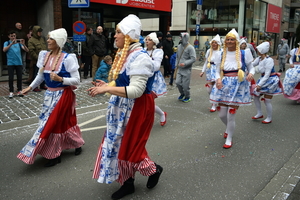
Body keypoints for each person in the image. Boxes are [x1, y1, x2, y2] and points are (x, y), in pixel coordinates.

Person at [88, 14, 163, 200]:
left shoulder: (140, 58)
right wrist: (108, 86)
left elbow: (137, 90)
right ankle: (127, 183)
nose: (114, 36)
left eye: (118, 32)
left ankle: (153, 170)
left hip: (136, 108)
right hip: (123, 106)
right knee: (117, 144)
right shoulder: (125, 54)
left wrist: (107, 88)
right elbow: (123, 81)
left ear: (129, 35)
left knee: (130, 148)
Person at [17, 28, 84, 167]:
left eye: (51, 38)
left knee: (52, 124)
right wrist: (30, 88)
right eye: (48, 38)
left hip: (63, 95)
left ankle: (54, 155)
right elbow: (41, 76)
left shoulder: (68, 58)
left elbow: (77, 80)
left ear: (58, 41)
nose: (47, 41)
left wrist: (61, 79)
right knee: (60, 123)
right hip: (49, 95)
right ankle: (76, 143)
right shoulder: (45, 55)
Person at [210, 28, 254, 149]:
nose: (229, 41)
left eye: (232, 40)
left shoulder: (245, 53)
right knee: (221, 115)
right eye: (228, 39)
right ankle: (229, 128)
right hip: (224, 85)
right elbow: (217, 70)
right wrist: (218, 79)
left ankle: (229, 137)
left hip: (238, 85)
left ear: (237, 41)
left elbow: (251, 67)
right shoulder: (220, 54)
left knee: (231, 115)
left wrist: (251, 73)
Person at [251, 42, 282, 124]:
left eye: (259, 50)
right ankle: (259, 113)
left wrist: (259, 85)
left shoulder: (269, 60)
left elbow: (267, 74)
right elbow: (251, 65)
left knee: (267, 100)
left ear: (263, 50)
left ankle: (269, 117)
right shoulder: (259, 58)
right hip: (263, 78)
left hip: (270, 80)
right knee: (256, 96)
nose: (257, 51)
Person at [144, 32, 167, 126]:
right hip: (144, 77)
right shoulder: (143, 50)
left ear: (154, 42)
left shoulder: (158, 52)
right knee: (144, 100)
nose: (147, 41)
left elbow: (157, 67)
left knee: (150, 100)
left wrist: (145, 62)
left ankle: (161, 114)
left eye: (149, 40)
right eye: (146, 39)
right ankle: (150, 117)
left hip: (154, 79)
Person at [199, 34, 222, 112]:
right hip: (209, 70)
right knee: (209, 90)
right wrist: (202, 71)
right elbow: (206, 62)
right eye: (213, 42)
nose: (214, 44)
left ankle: (213, 105)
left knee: (215, 88)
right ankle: (214, 100)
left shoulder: (221, 51)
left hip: (217, 70)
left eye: (216, 42)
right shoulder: (209, 51)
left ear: (218, 44)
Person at [3, 30, 29, 98]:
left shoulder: (18, 43)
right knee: (11, 78)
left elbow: (26, 50)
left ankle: (19, 90)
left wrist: (23, 44)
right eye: (12, 36)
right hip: (10, 63)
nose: (13, 37)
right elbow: (4, 50)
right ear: (9, 36)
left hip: (19, 62)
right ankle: (11, 91)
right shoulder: (7, 42)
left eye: (14, 36)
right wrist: (11, 44)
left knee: (19, 78)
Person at [175, 32, 196, 103]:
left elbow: (193, 58)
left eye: (182, 37)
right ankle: (182, 94)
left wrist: (185, 63)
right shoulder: (179, 46)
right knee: (177, 82)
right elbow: (177, 56)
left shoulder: (190, 48)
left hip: (187, 69)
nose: (180, 39)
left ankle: (187, 96)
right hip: (179, 69)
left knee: (185, 85)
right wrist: (176, 64)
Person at [28, 25, 47, 92]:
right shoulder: (31, 40)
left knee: (43, 72)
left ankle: (42, 85)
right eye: (39, 32)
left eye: (40, 32)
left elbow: (45, 48)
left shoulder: (42, 39)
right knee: (36, 73)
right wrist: (37, 58)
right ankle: (34, 87)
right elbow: (31, 51)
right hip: (36, 60)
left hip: (44, 60)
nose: (40, 33)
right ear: (35, 32)